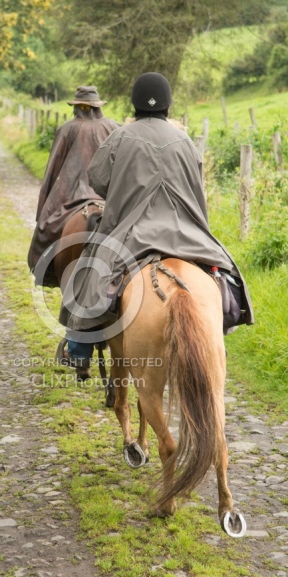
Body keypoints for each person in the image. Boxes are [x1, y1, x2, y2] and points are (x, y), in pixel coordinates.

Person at [59, 72, 254, 364]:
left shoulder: (120, 137)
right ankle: (226, 325)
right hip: (186, 232)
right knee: (225, 270)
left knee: (89, 266)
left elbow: (98, 180)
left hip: (131, 232)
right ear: (167, 104)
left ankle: (79, 349)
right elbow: (197, 185)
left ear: (135, 103)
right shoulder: (185, 140)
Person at [27, 85, 119, 288]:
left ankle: (47, 272)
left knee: (48, 229)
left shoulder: (67, 129)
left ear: (77, 107)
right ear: (97, 106)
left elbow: (53, 170)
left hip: (72, 194)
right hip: (109, 195)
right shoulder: (115, 128)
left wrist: (43, 211)